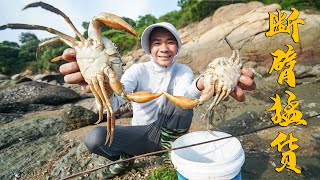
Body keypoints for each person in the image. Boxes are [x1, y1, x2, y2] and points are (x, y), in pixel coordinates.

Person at [60, 22, 255, 178]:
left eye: (170, 42)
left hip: (172, 135)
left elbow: (187, 96)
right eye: (157, 43)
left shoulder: (183, 71)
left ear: (177, 46)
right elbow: (118, 99)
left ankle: (171, 152)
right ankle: (124, 158)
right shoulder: (138, 70)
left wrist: (203, 83)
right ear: (149, 48)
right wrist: (103, 86)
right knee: (94, 138)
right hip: (142, 134)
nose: (164, 48)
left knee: (178, 102)